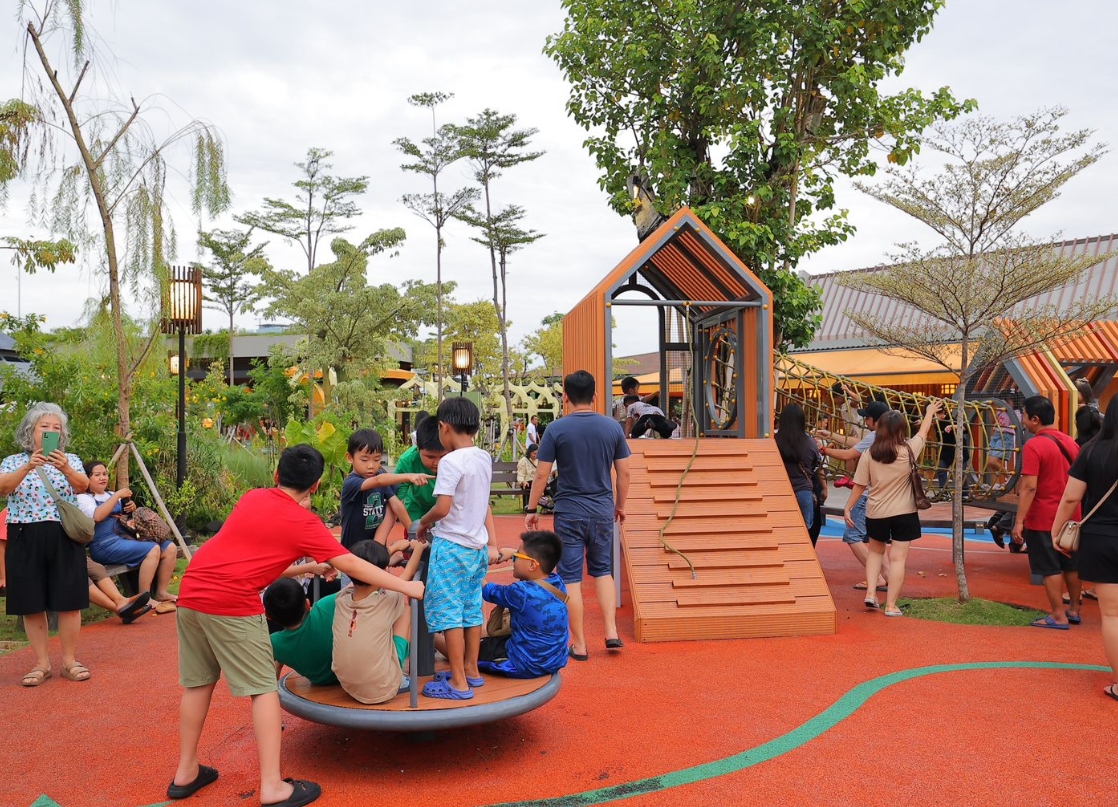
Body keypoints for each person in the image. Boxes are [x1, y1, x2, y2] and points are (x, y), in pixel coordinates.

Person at [168, 444, 424, 806]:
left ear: (276, 475)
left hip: (192, 590)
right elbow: (352, 565)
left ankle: (186, 771)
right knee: (263, 690)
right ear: (316, 486)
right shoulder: (305, 523)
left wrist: (307, 567)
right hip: (231, 601)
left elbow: (249, 557)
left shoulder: (252, 498)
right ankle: (272, 786)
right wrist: (405, 585)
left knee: (198, 684)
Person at [526, 370, 630, 660]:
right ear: (595, 396)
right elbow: (624, 472)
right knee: (603, 571)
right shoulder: (612, 428)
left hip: (569, 512)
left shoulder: (556, 429)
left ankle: (580, 644)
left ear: (566, 397)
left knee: (571, 576)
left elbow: (542, 473)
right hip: (601, 511)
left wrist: (532, 509)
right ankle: (611, 632)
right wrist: (620, 505)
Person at [0, 402, 91, 687]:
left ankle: (69, 661)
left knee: (69, 602)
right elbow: (3, 488)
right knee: (31, 603)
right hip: (23, 535)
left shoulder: (70, 459)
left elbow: (82, 486)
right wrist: (29, 465)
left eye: (56, 427)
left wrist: (65, 469)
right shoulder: (13, 461)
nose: (51, 431)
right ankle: (41, 664)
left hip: (62, 535)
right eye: (44, 426)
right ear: (31, 430)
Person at [415, 397, 498, 700]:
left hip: (451, 547)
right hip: (476, 547)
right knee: (471, 609)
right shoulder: (482, 457)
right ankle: (471, 670)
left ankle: (459, 682)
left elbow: (443, 508)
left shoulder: (451, 461)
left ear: (444, 427)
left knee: (449, 614)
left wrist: (423, 523)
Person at [844, 401, 941, 617]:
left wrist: (848, 508)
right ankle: (891, 605)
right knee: (898, 558)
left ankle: (871, 593)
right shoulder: (909, 450)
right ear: (901, 430)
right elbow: (923, 431)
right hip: (904, 513)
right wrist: (929, 412)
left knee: (875, 553)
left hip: (876, 512)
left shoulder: (869, 454)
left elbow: (860, 484)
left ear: (880, 428)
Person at [1052, 396, 1118, 701]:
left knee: (1113, 615)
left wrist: (1057, 530)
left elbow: (1070, 498)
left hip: (1102, 538)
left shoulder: (1091, 450)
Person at [1010, 395, 1082, 630]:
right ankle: (1073, 609)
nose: (1021, 419)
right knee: (1070, 564)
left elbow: (1029, 486)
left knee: (1049, 567)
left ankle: (1058, 616)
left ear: (1035, 419)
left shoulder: (1034, 445)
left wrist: (1019, 521)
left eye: (1023, 414)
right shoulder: (1071, 442)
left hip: (1043, 517)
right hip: (1071, 516)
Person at [332, 538, 426, 704]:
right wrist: (418, 549)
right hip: (382, 688)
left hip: (347, 684)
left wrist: (393, 549)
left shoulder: (342, 598)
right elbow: (404, 579)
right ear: (383, 571)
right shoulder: (389, 599)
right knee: (406, 611)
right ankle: (400, 678)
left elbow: (362, 569)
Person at [77, 460, 179, 607]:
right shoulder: (84, 498)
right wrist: (117, 495)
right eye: (97, 475)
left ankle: (161, 592)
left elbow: (129, 520)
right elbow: (97, 516)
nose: (102, 478)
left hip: (126, 538)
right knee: (153, 549)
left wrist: (131, 508)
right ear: (87, 478)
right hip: (104, 545)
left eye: (105, 474)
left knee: (170, 548)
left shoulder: (112, 495)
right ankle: (145, 597)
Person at [817, 400, 891, 592]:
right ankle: (889, 576)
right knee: (877, 538)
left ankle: (877, 576)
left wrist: (824, 449)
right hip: (888, 497)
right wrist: (832, 435)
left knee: (852, 536)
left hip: (869, 495)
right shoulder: (891, 436)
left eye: (866, 418)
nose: (865, 421)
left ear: (875, 420)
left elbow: (849, 454)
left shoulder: (875, 436)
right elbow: (857, 444)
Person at [483, 530, 570, 678]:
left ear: (531, 564)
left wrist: (471, 564)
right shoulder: (557, 582)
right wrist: (513, 553)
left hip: (525, 664)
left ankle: (433, 640)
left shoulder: (520, 592)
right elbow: (533, 572)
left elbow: (486, 589)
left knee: (466, 650)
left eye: (517, 556)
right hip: (554, 660)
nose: (514, 560)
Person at [339, 428, 427, 552]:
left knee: (391, 504)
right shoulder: (351, 482)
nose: (371, 465)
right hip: (352, 550)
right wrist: (409, 476)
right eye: (364, 460)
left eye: (376, 459)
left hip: (375, 543)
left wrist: (412, 533)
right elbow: (378, 481)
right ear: (349, 458)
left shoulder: (380, 475)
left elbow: (397, 505)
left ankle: (378, 551)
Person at [264, 577, 341, 687]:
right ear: (307, 604)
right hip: (345, 675)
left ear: (268, 616)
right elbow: (353, 589)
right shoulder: (324, 606)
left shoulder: (274, 643)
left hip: (320, 682)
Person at [775, 403, 823, 531]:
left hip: (779, 492)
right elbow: (815, 466)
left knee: (781, 529)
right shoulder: (810, 443)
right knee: (804, 530)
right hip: (803, 491)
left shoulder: (774, 442)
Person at [394, 415, 446, 527]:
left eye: (442, 456)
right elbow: (397, 502)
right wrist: (411, 530)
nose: (437, 463)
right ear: (417, 447)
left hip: (447, 511)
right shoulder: (406, 461)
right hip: (416, 510)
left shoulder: (457, 460)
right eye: (430, 457)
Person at [518, 444, 541, 511]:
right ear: (530, 452)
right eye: (534, 453)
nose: (535, 455)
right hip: (527, 482)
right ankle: (529, 507)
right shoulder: (523, 461)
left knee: (548, 485)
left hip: (537, 481)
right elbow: (520, 474)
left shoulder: (539, 460)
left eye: (537, 453)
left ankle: (549, 506)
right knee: (528, 485)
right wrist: (522, 481)